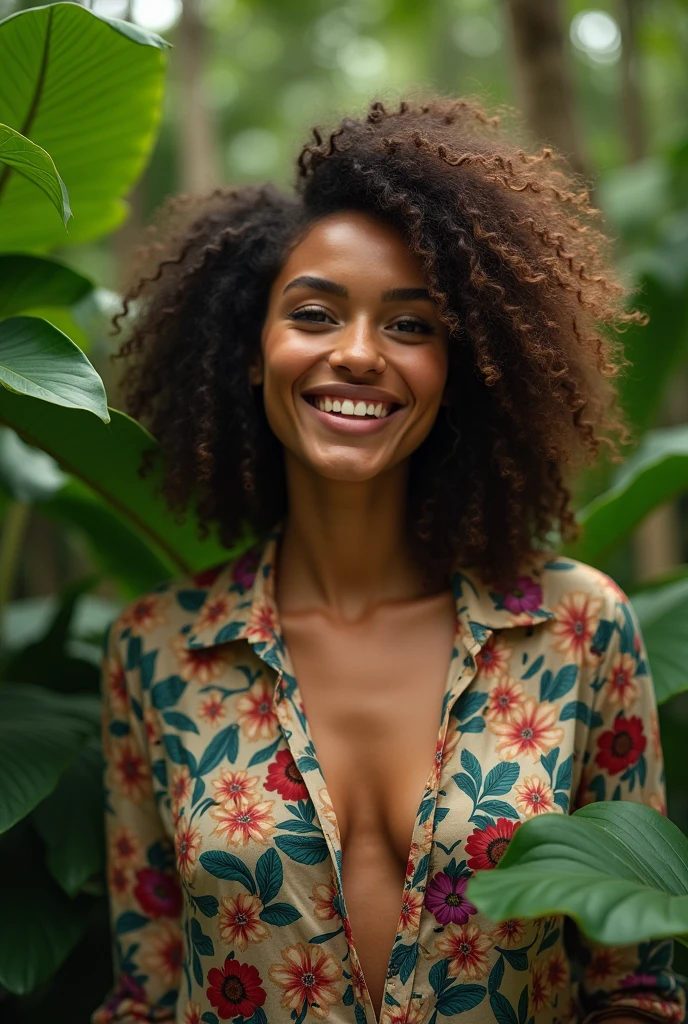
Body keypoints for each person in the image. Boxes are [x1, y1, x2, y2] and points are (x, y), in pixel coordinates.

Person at [92, 94, 685, 1024]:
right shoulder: (158, 650)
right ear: (253, 350)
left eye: (411, 325)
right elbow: (147, 991)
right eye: (316, 314)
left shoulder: (578, 630)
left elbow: (636, 989)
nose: (360, 354)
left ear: (463, 366)